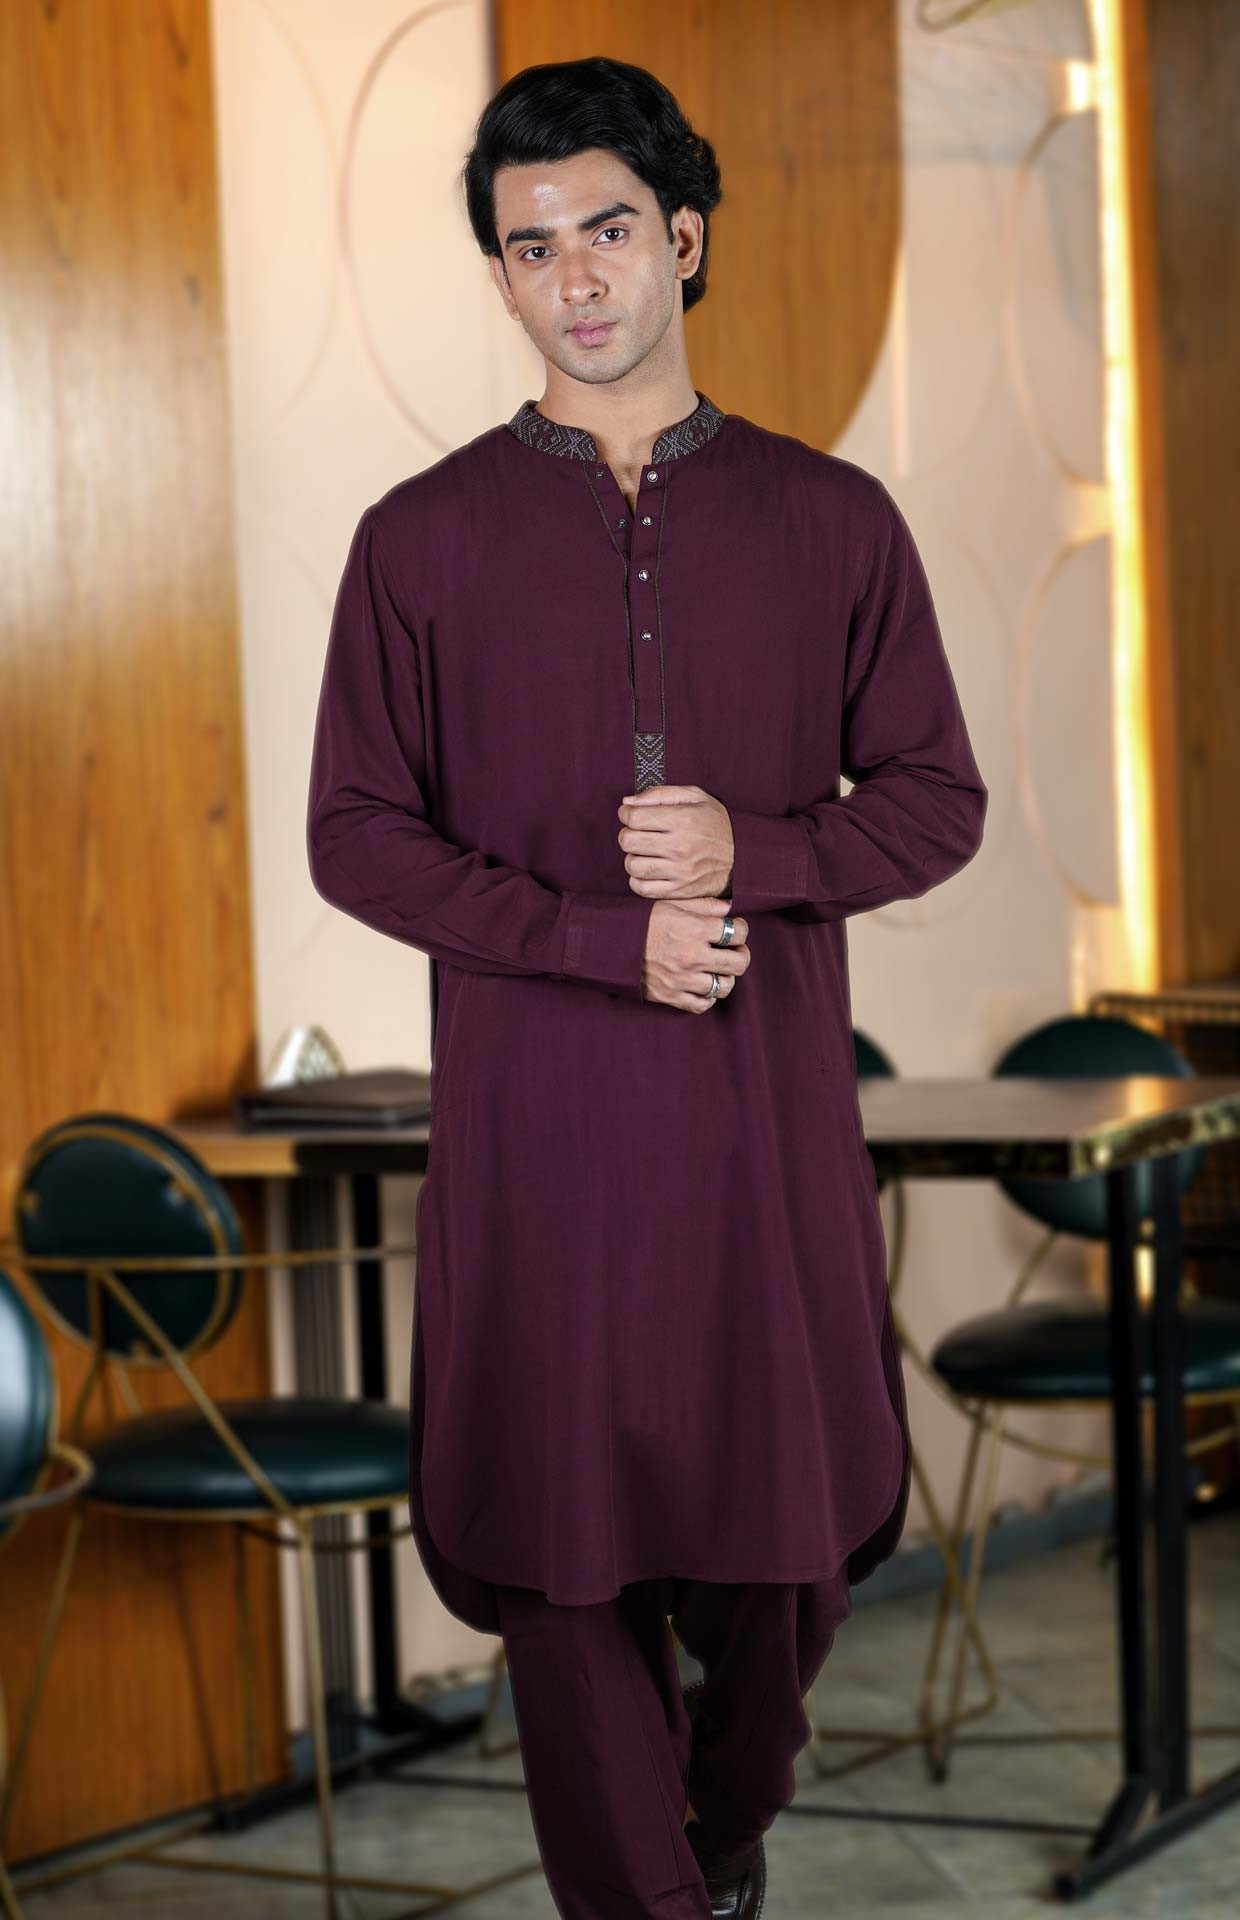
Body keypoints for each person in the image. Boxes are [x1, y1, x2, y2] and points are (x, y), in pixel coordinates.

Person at [306, 52, 988, 1920]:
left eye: (607, 230)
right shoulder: (419, 541)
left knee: (790, 1571)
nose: (575, 278)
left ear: (682, 238)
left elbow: (936, 801)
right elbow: (356, 836)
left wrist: (755, 849)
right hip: (540, 1155)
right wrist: (598, 936)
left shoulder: (833, 520)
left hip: (766, 1151)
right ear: (501, 277)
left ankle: (719, 1837)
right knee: (566, 1571)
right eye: (531, 249)